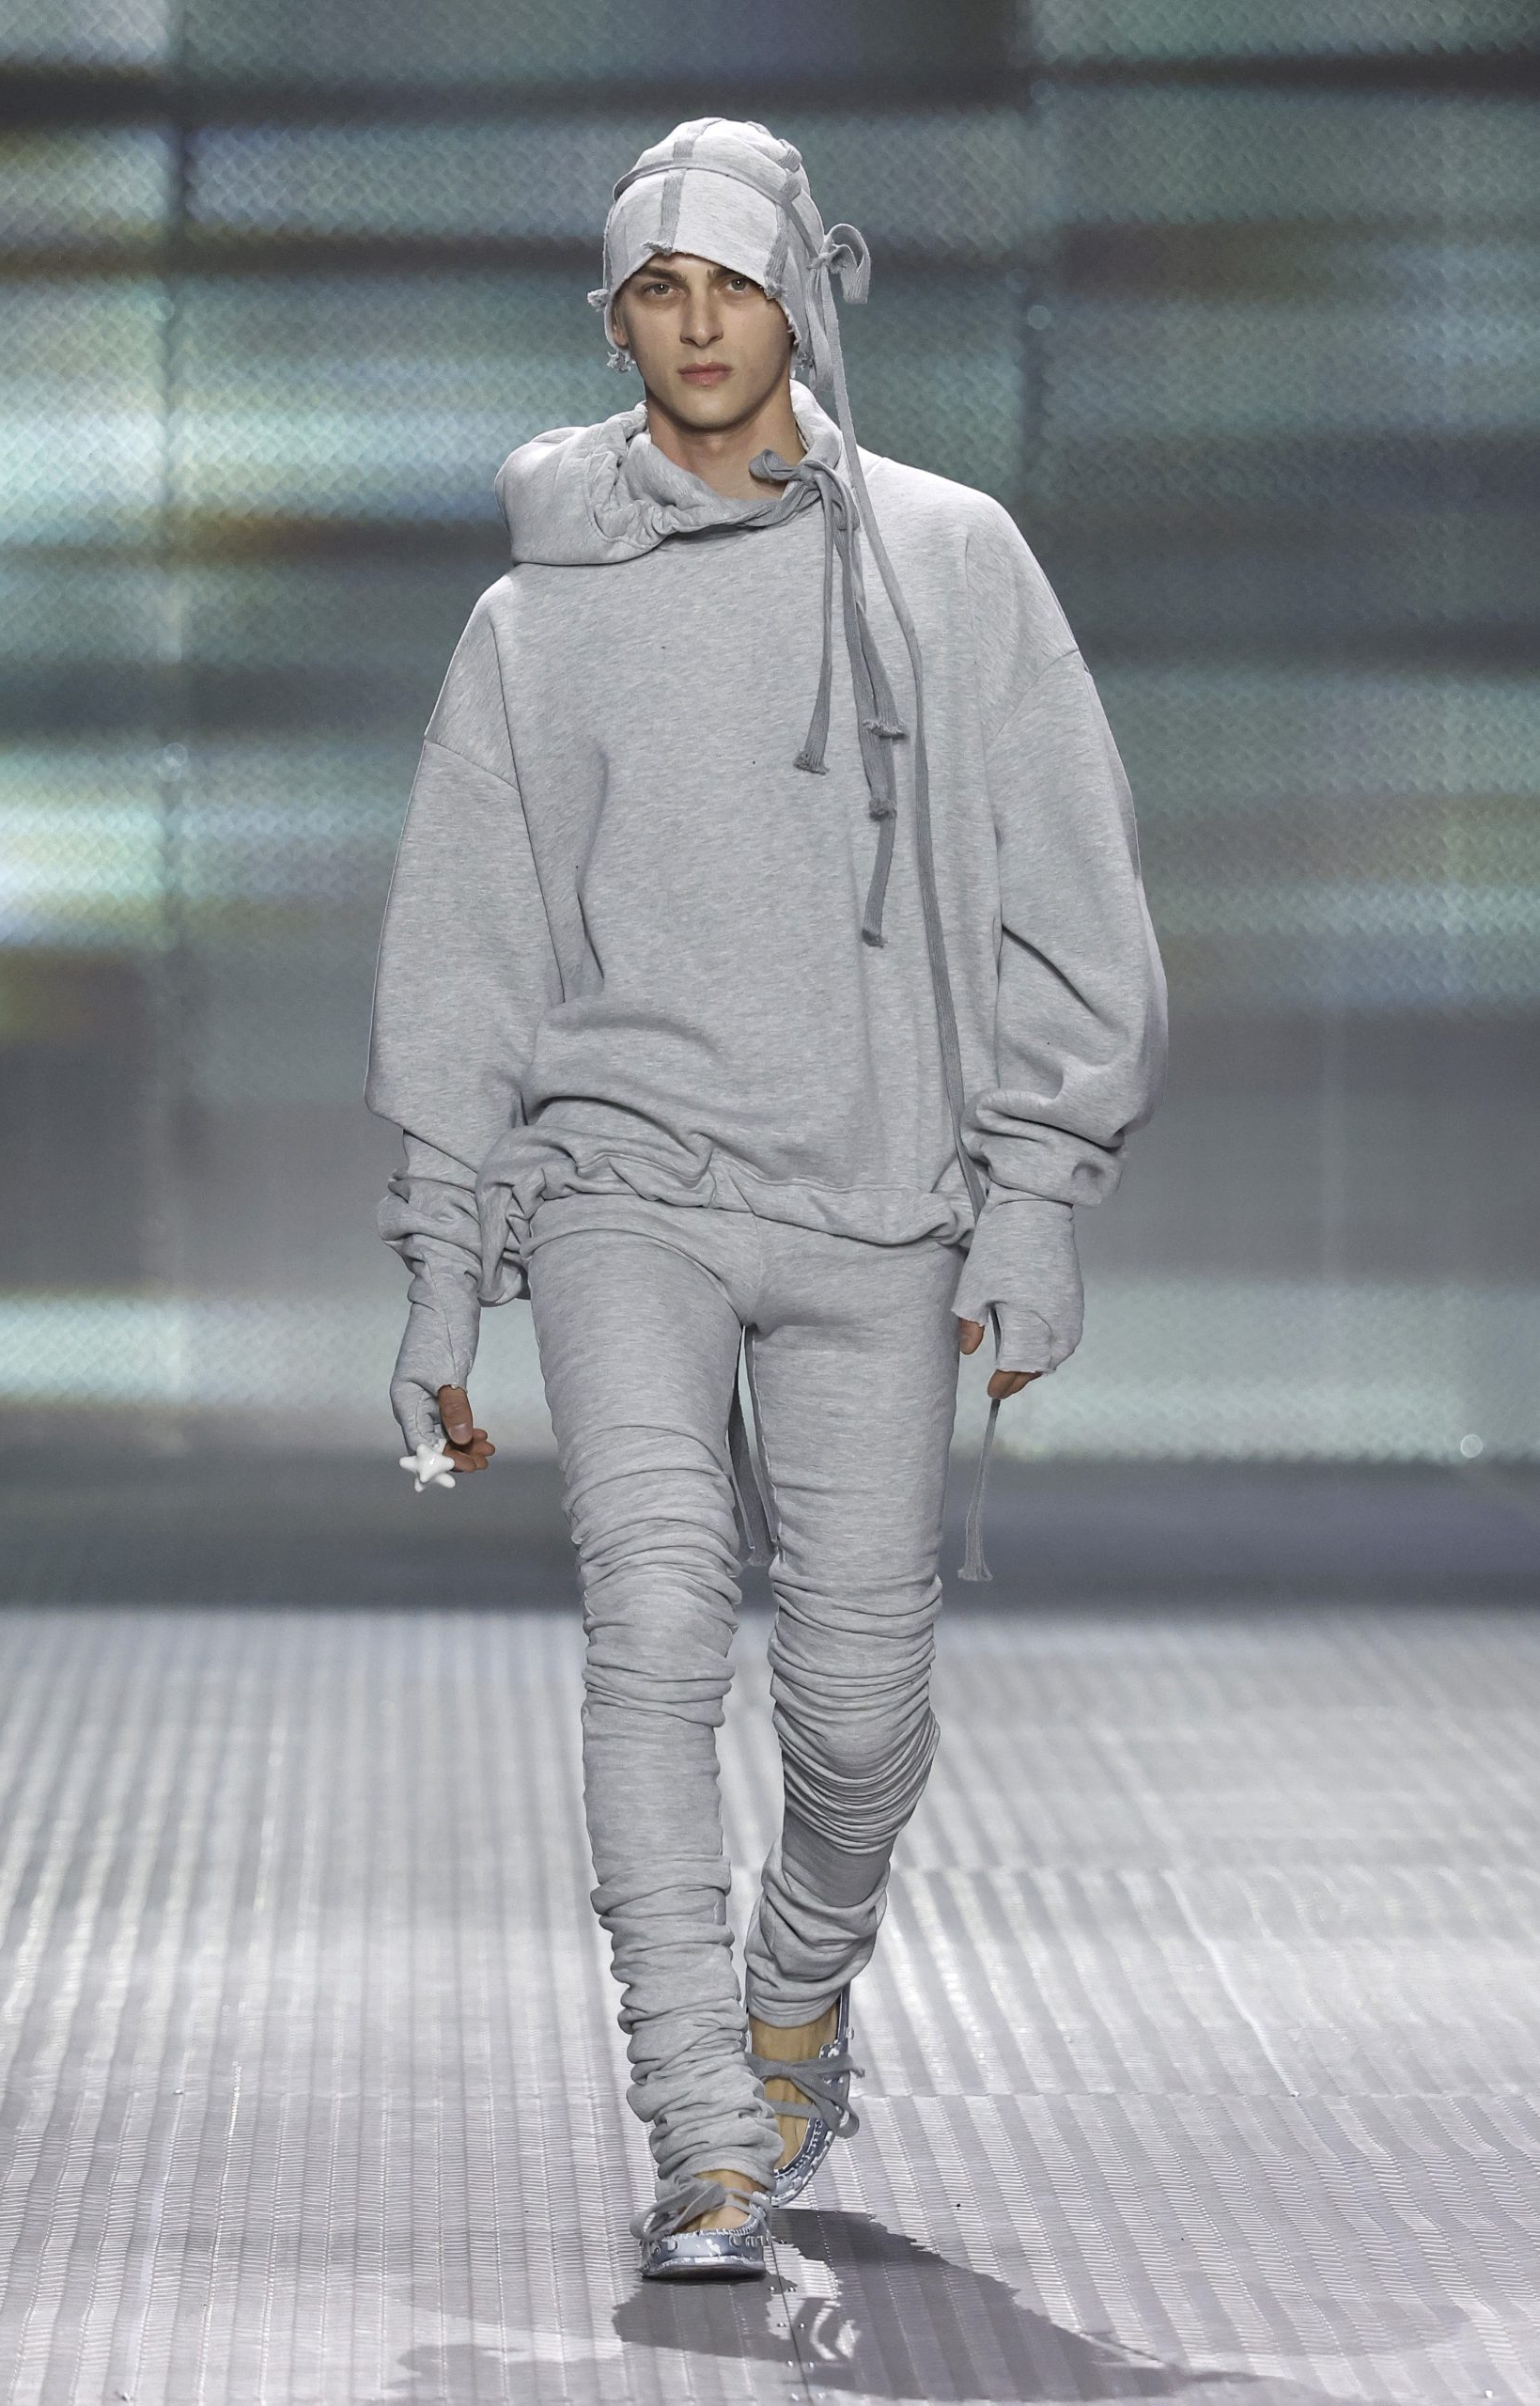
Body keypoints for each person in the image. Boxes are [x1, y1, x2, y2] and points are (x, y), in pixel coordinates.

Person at [365, 117, 1167, 2281]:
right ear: (612, 316)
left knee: (859, 1713)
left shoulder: (947, 562)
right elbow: (467, 946)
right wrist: (442, 1266)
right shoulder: (534, 613)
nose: (697, 324)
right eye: (657, 287)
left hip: (876, 1201)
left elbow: (1070, 890)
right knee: (649, 1624)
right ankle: (703, 2125)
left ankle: (798, 1982)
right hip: (614, 1179)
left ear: (802, 291)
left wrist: (1036, 1189)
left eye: (731, 280)